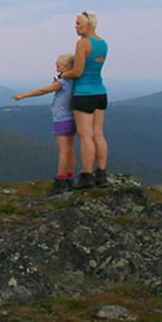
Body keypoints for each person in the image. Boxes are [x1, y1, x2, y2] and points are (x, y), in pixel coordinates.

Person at [12, 53, 77, 196]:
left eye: (58, 64)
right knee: (70, 150)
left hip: (61, 119)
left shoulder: (63, 82)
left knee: (63, 152)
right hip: (73, 119)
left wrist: (23, 96)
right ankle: (69, 179)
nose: (56, 66)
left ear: (66, 66)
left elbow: (43, 91)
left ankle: (60, 181)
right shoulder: (74, 80)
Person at [61, 10, 108, 189]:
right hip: (100, 92)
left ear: (88, 25)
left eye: (78, 23)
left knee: (85, 136)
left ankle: (87, 175)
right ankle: (101, 174)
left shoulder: (83, 43)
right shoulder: (103, 43)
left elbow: (78, 71)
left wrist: (64, 74)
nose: (76, 26)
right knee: (98, 134)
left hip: (84, 94)